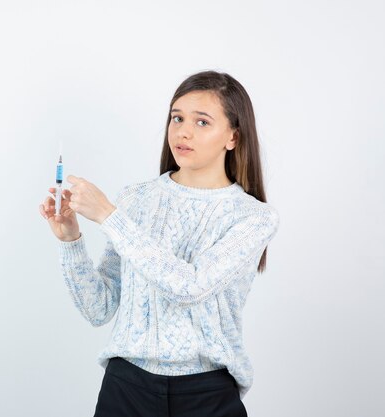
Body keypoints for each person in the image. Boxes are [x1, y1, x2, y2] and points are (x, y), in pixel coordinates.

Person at [38, 70, 280, 417]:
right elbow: (99, 308)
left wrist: (109, 216)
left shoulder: (253, 218)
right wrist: (71, 241)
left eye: (202, 122)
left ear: (233, 136)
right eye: (177, 118)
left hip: (206, 397)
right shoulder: (135, 200)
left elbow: (190, 286)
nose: (183, 131)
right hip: (125, 391)